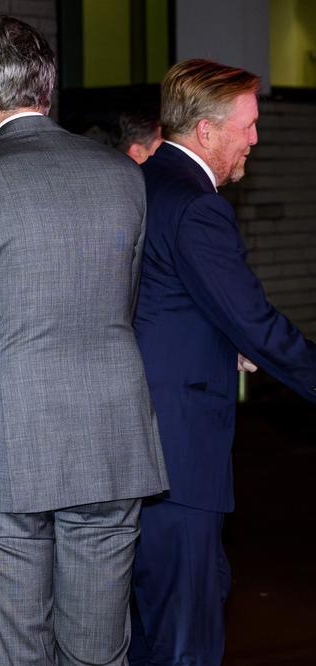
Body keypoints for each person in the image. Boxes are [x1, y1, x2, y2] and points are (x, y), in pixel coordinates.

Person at [0, 16, 169, 666]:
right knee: (99, 654)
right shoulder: (124, 177)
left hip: (4, 453)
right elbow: (119, 309)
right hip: (110, 442)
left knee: (14, 656)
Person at [129, 59, 316, 666]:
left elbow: (159, 300)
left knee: (156, 624)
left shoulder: (140, 182)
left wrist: (214, 334)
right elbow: (255, 322)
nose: (256, 139)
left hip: (135, 447)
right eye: (249, 125)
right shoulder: (196, 205)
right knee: (186, 638)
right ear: (207, 132)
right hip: (179, 454)